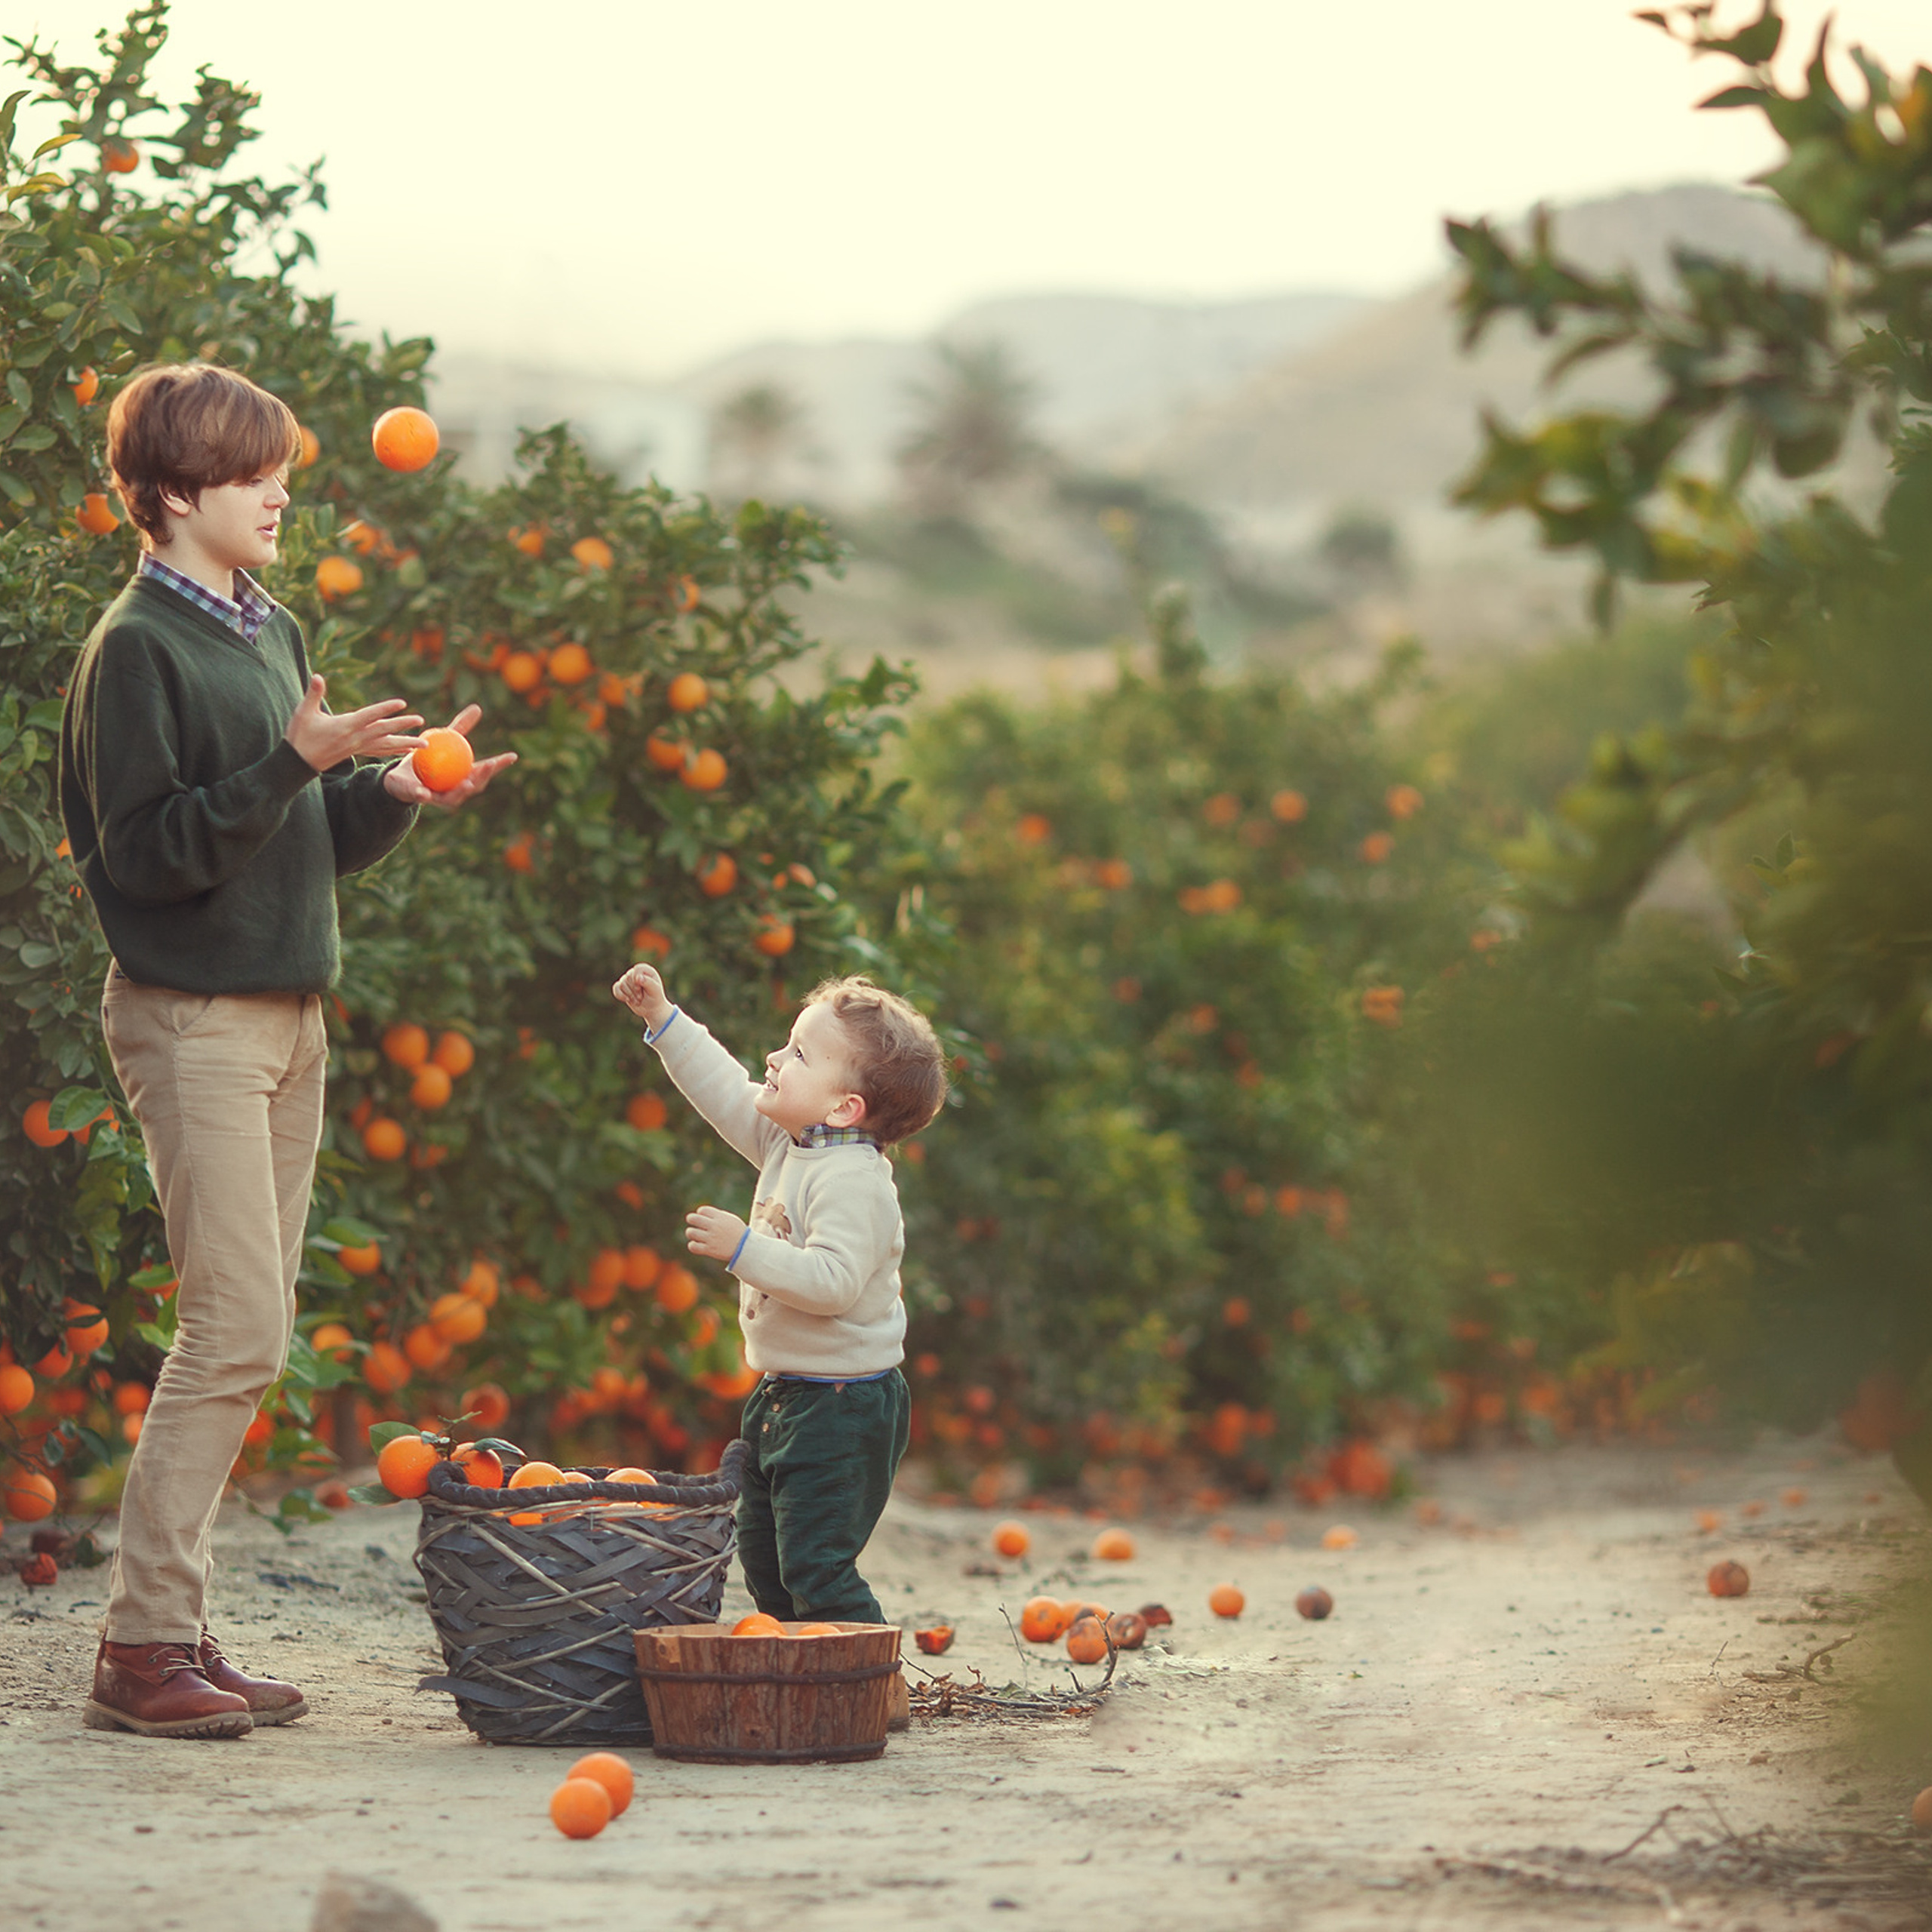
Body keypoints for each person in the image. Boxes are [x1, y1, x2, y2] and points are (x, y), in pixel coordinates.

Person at [57, 362, 514, 1739]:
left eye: (286, 476)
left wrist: (392, 790)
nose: (279, 495)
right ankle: (141, 1651)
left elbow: (293, 846)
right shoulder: (135, 648)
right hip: (191, 1017)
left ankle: (177, 1628)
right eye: (256, 476)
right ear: (178, 489)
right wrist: (291, 763)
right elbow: (141, 860)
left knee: (246, 1337)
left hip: (284, 1015)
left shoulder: (268, 626)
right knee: (235, 1328)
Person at [611, 963, 946, 1629]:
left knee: (816, 1565)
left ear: (843, 1108)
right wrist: (664, 1020)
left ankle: (870, 1682)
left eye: (797, 1054)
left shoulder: (855, 1181)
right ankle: (803, 1679)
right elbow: (725, 1090)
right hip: (787, 1394)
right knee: (765, 1559)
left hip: (844, 1408)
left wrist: (745, 1251)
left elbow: (833, 1284)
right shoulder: (793, 1142)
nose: (773, 1058)